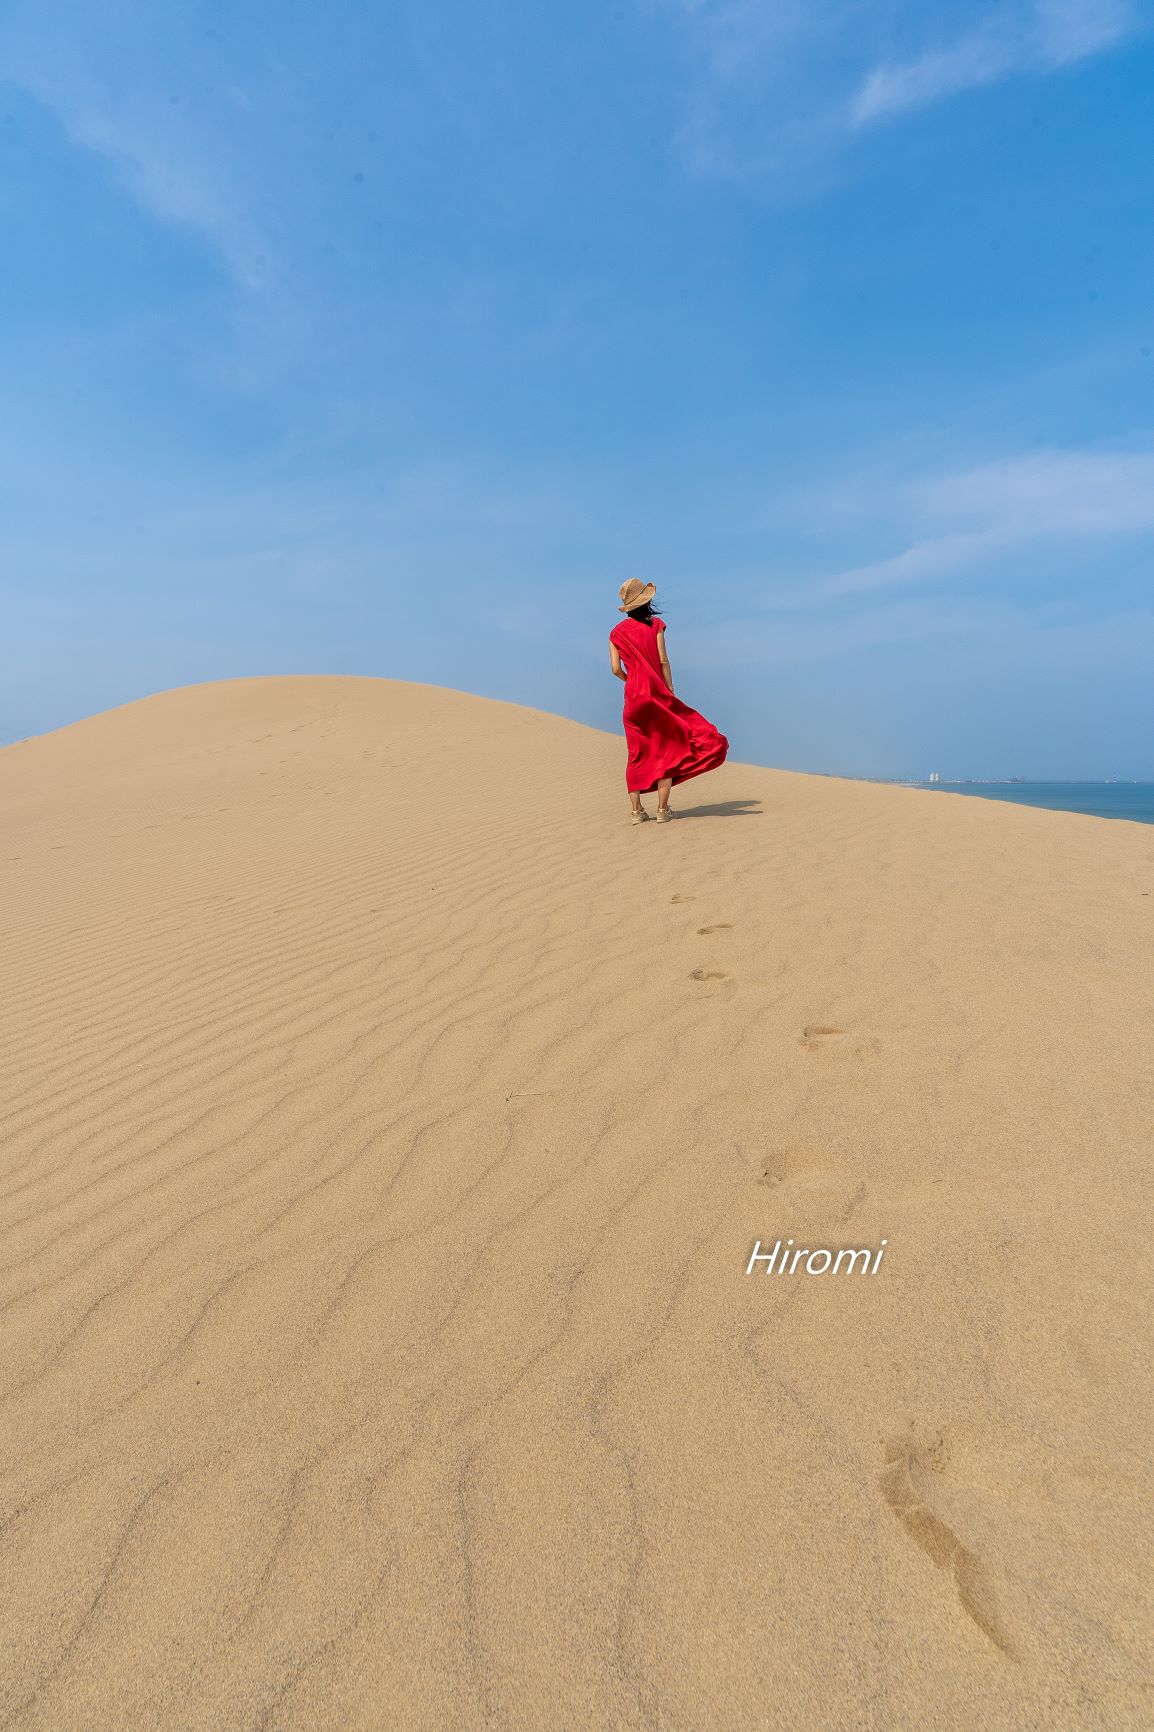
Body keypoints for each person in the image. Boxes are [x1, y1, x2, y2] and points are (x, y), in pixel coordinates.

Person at [609, 578, 729, 824]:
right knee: (667, 747)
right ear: (647, 601)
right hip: (657, 694)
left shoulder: (615, 632)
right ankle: (663, 810)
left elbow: (614, 669)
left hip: (633, 698)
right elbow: (663, 660)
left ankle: (636, 812)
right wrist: (669, 690)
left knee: (637, 752)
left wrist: (630, 680)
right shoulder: (656, 625)